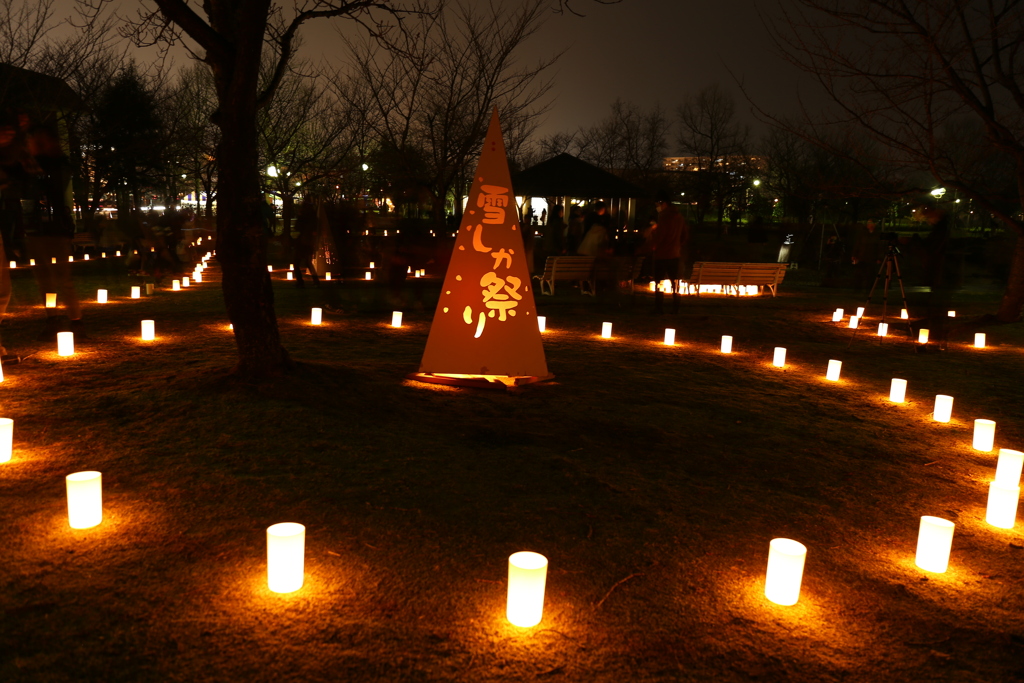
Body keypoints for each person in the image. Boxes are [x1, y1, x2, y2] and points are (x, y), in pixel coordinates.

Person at [641, 190, 689, 314]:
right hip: (675, 254)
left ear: (663, 203)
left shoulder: (664, 218)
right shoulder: (679, 217)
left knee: (659, 282)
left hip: (662, 255)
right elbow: (684, 235)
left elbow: (659, 238)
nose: (657, 207)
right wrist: (677, 245)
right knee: (675, 283)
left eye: (657, 204)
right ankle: (676, 307)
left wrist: (646, 248)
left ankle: (659, 308)